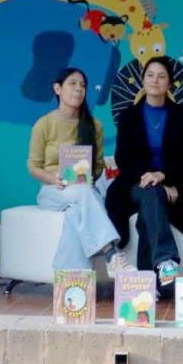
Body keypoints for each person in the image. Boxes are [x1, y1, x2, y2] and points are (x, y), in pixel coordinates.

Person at [106, 56, 183, 287]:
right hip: (133, 184)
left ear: (169, 83)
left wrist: (162, 177)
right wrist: (148, 176)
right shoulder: (129, 116)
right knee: (151, 191)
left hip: (173, 184)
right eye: (150, 75)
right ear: (142, 80)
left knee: (149, 206)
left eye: (161, 76)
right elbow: (123, 158)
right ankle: (166, 258)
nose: (155, 80)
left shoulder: (182, 115)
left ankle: (150, 283)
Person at [28, 68, 132, 275]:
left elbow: (99, 165)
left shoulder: (94, 126)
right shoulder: (44, 124)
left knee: (76, 211)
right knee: (84, 194)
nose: (78, 89)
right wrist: (54, 178)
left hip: (82, 190)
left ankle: (74, 282)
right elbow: (33, 166)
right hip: (52, 190)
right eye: (73, 84)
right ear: (57, 88)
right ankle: (111, 254)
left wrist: (86, 173)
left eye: (83, 85)